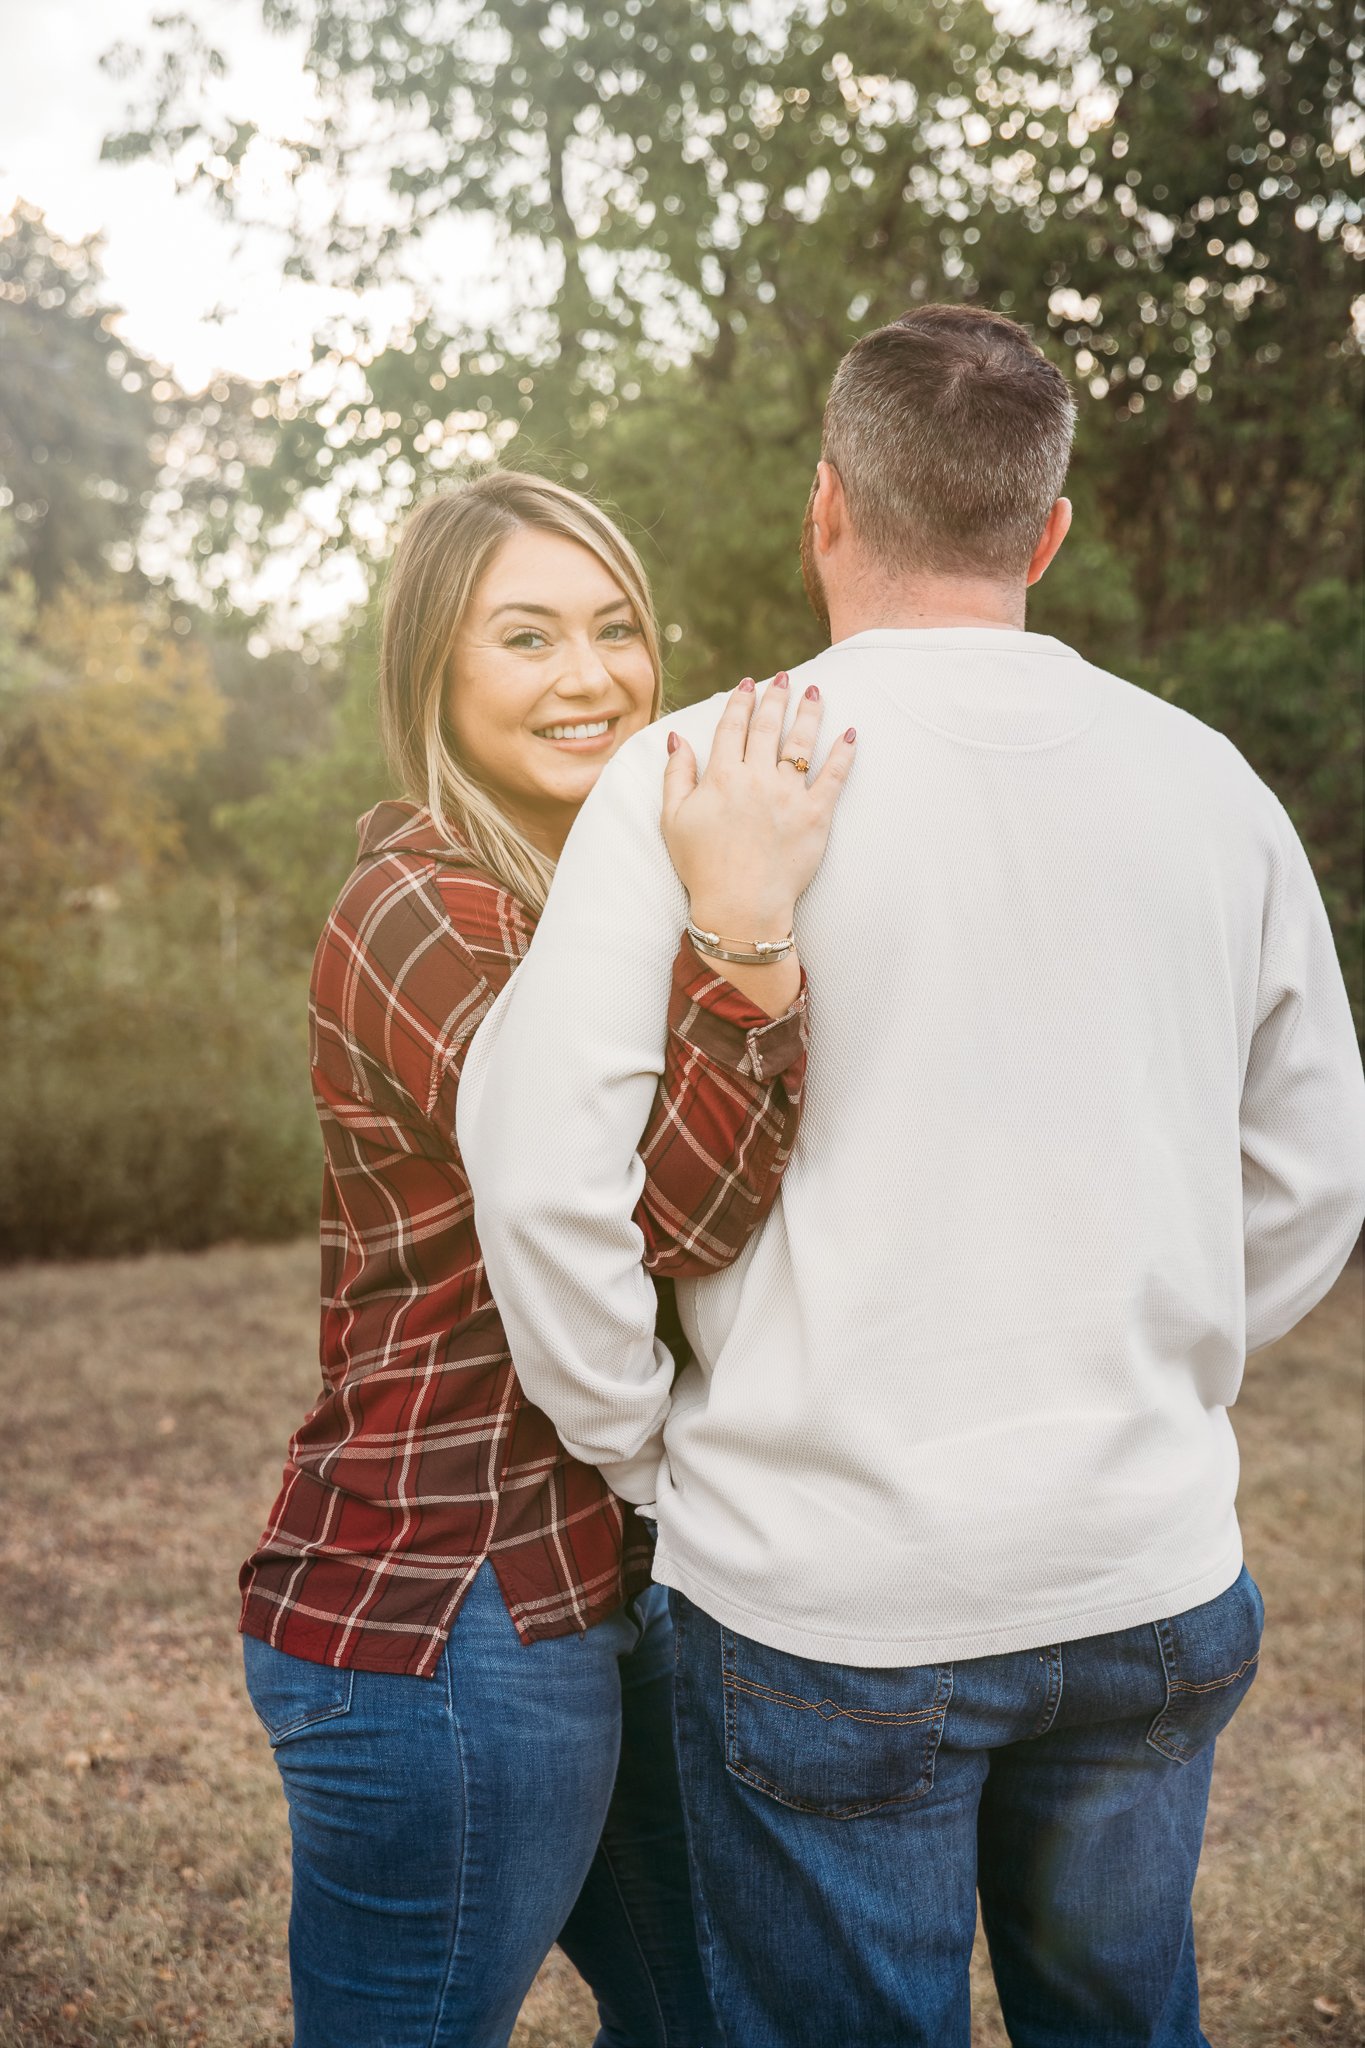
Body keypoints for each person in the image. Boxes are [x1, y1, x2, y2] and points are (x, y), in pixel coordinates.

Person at [457, 307, 1365, 2048]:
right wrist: (1157, 1364)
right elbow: (1314, 1170)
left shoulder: (693, 773)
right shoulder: (1211, 789)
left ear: (825, 506)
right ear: (1045, 531)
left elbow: (544, 1175)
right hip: (1145, 1571)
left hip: (824, 1596)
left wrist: (644, 1440)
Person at [237, 470, 855, 2048]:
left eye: (615, 630)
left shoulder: (593, 896)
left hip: (614, 1580)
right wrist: (746, 946)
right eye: (525, 637)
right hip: (452, 1606)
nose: (590, 679)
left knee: (711, 2018)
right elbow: (666, 1222)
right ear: (435, 675)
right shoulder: (424, 909)